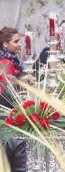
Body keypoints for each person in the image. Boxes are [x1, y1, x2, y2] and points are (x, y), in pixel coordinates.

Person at [0, 27, 27, 172]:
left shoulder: (13, 60)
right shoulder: (7, 62)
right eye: (16, 42)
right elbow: (7, 92)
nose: (19, 45)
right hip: (6, 119)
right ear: (5, 44)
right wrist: (22, 82)